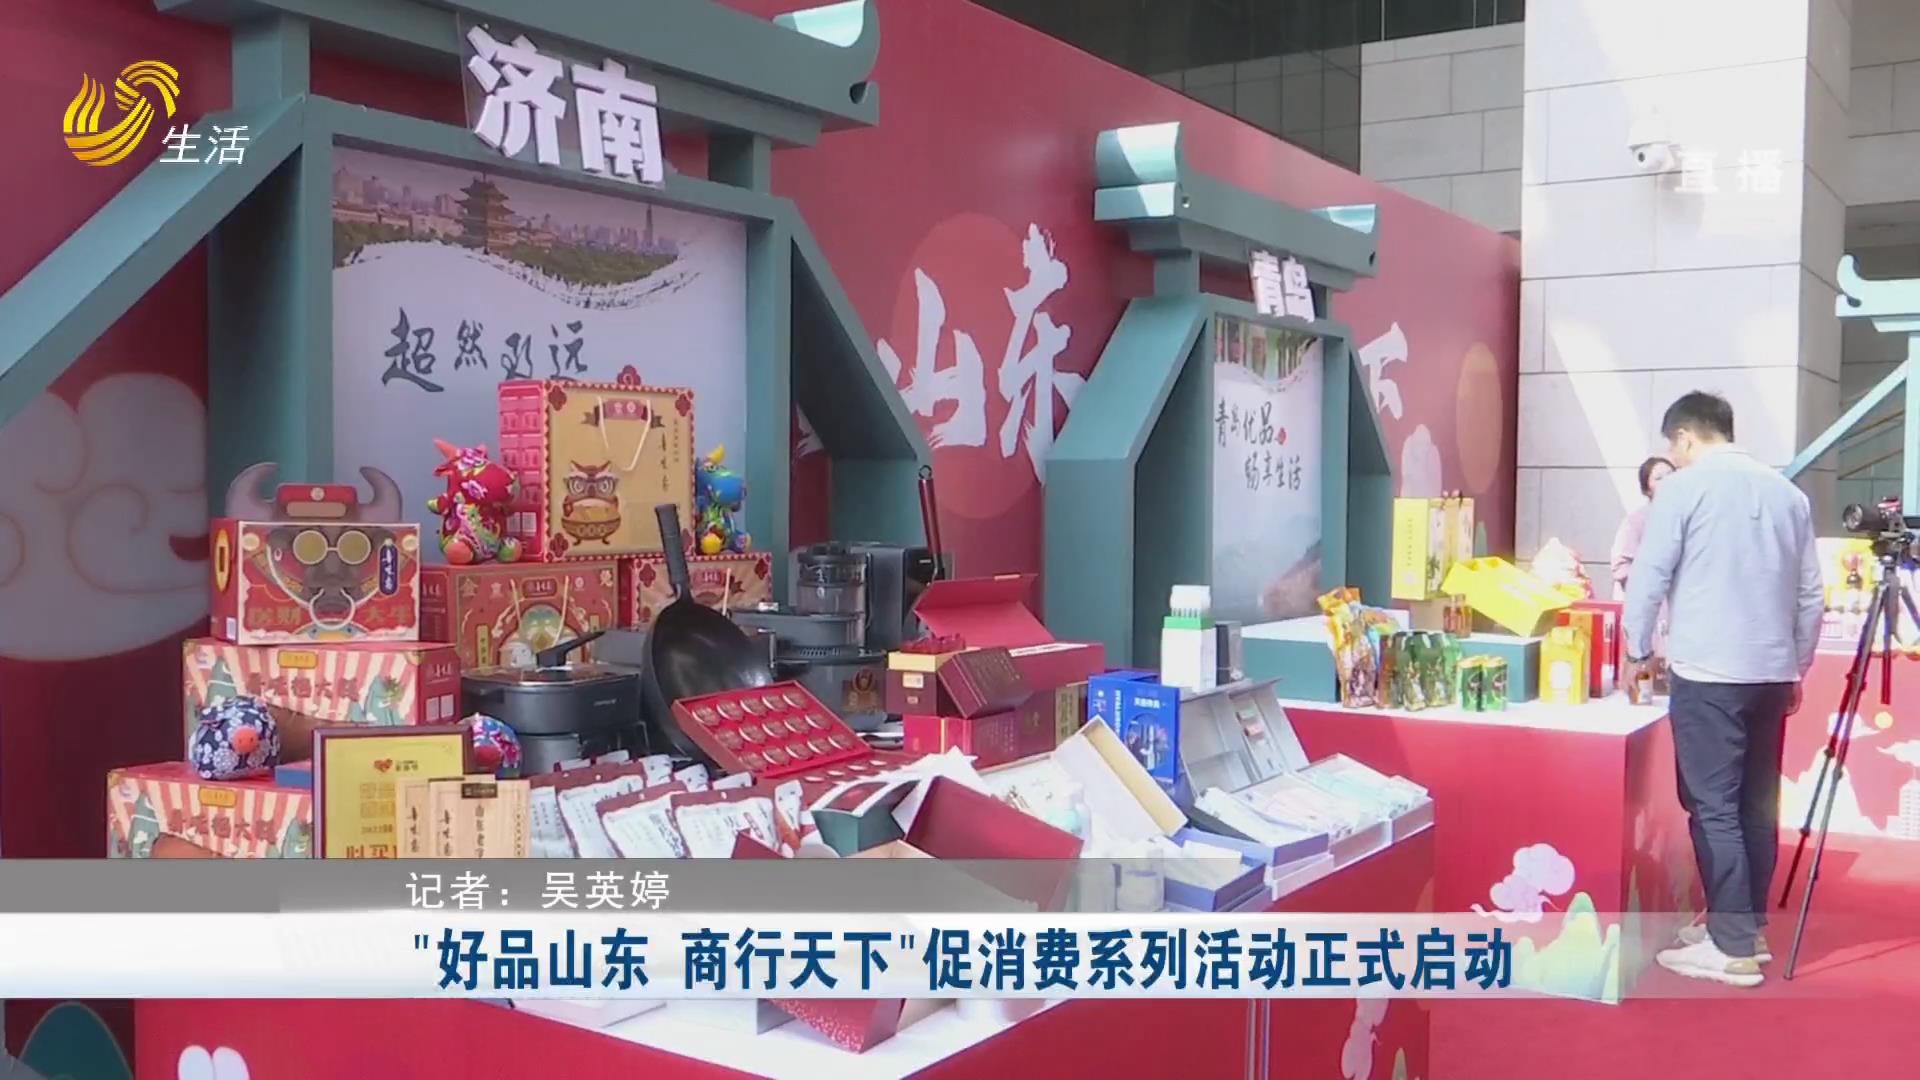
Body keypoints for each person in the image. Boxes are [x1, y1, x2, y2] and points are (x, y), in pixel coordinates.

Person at [1622, 392, 1822, 988]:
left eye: (1673, 446)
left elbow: (1650, 574)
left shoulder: (1683, 489)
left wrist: (1635, 650)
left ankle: (1731, 945)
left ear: (1684, 438)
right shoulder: (1789, 494)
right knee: (1756, 802)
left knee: (1713, 805)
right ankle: (1745, 927)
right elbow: (1810, 594)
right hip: (1771, 672)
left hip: (1710, 671)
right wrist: (1797, 666)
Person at [1611, 456, 1675, 592]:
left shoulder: (1691, 515)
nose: (1668, 481)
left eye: (1671, 475)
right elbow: (1621, 567)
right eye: (1659, 478)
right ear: (1647, 489)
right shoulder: (1636, 521)